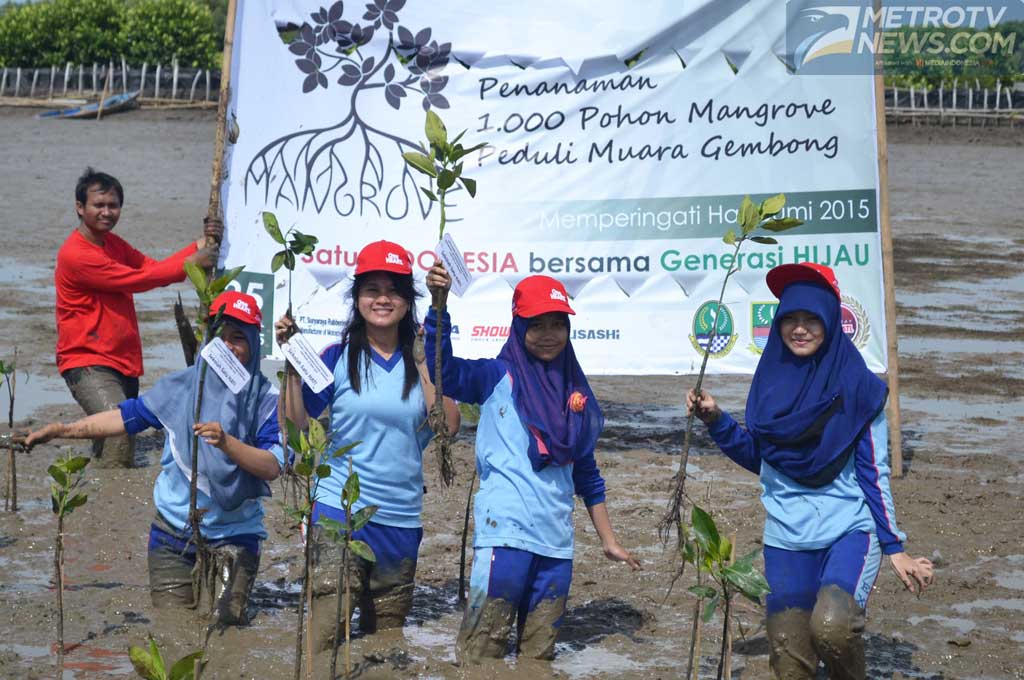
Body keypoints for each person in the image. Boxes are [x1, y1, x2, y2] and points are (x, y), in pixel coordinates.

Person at [686, 262, 934, 679]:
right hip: (786, 536)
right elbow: (763, 459)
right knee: (789, 659)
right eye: (790, 320)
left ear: (831, 322)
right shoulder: (770, 383)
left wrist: (895, 547)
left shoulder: (860, 389)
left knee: (833, 628)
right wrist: (716, 421)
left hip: (849, 532)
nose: (799, 329)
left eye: (811, 319)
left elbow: (874, 473)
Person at [423, 264, 641, 663]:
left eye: (557, 324)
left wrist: (609, 541)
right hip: (504, 538)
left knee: (538, 659)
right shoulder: (494, 376)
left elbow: (586, 475)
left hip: (556, 547)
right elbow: (446, 372)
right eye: (536, 324)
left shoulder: (574, 393)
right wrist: (439, 307)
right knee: (479, 656)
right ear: (518, 326)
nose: (548, 335)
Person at [28, 291, 282, 625]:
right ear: (208, 340)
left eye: (239, 338)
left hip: (236, 538)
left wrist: (227, 443)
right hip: (172, 533)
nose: (229, 348)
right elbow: (125, 418)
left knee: (224, 633)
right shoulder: (180, 387)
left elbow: (273, 466)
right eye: (221, 337)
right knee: (172, 629)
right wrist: (62, 429)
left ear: (254, 344)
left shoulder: (265, 400)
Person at [275, 240, 459, 646]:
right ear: (356, 299)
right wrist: (291, 366)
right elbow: (295, 429)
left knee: (386, 643)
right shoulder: (336, 358)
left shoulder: (423, 359)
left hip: (401, 521)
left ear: (408, 302)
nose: (382, 298)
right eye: (371, 289)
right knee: (324, 636)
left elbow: (448, 425)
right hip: (337, 513)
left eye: (393, 289)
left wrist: (426, 359)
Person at [56, 167, 221, 468]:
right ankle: (108, 501)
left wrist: (197, 247)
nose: (107, 212)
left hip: (122, 361)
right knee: (119, 434)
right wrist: (191, 262)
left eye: (113, 205)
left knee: (108, 442)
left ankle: (99, 488)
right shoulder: (77, 254)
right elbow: (140, 281)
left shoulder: (113, 244)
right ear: (80, 207)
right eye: (99, 205)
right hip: (89, 362)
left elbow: (151, 268)